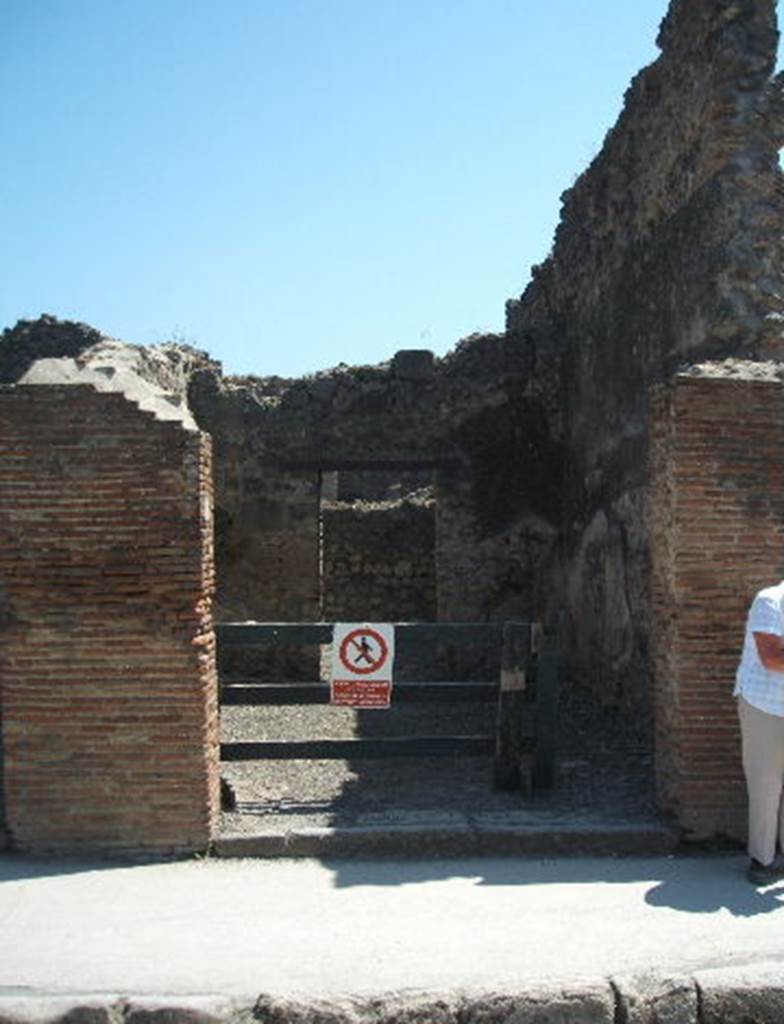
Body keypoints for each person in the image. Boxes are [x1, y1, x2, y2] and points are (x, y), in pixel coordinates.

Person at [735, 580, 784, 885]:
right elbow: (771, 658)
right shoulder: (770, 601)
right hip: (765, 703)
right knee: (766, 782)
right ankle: (762, 859)